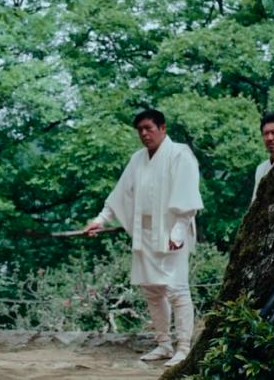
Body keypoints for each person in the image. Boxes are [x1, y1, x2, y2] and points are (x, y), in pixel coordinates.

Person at [83, 109, 203, 367]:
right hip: (144, 232)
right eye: (140, 130)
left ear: (162, 128)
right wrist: (100, 220)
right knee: (152, 290)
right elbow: (119, 194)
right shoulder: (137, 159)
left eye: (149, 128)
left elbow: (188, 195)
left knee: (176, 289)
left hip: (172, 231)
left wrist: (179, 231)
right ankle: (163, 343)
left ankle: (184, 346)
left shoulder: (180, 154)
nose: (145, 134)